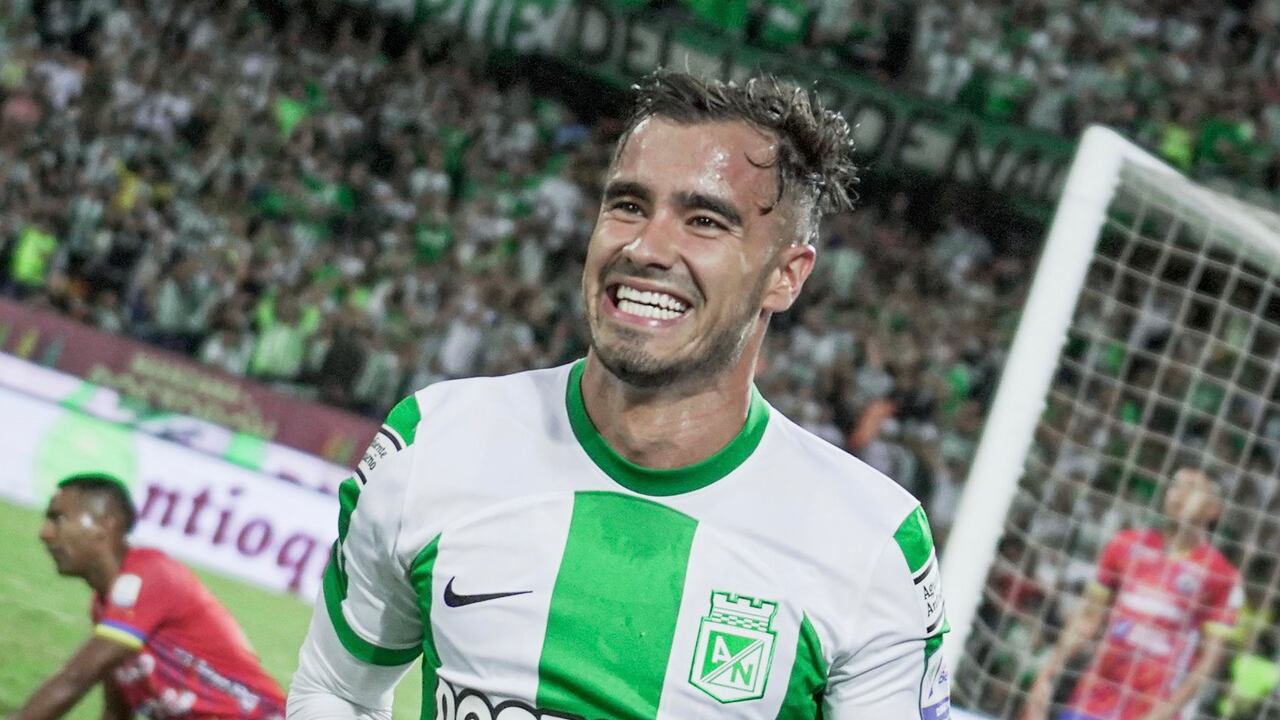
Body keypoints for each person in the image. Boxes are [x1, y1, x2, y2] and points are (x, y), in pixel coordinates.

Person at [287, 70, 950, 720]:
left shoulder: (870, 547)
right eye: (628, 205)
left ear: (785, 274)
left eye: (705, 220)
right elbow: (337, 690)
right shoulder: (433, 442)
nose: (647, 246)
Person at [13, 473, 286, 720]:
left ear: (104, 526)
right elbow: (117, 711)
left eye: (57, 518)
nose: (45, 533)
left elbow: (76, 679)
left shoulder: (151, 575)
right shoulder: (105, 608)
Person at [1021, 468, 1243, 720]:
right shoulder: (1125, 544)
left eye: (1192, 489)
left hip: (1154, 706)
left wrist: (1164, 712)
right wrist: (1047, 674)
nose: (1178, 495)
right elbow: (1088, 617)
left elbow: (1208, 661)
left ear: (1214, 509)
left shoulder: (1221, 575)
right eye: (1175, 485)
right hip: (1094, 697)